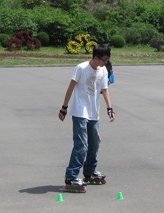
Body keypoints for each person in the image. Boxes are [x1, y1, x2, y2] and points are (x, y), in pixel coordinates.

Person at [58, 44, 115, 193]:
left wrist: (110, 108)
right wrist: (64, 108)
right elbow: (70, 87)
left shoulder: (103, 70)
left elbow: (104, 90)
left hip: (93, 113)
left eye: (107, 59)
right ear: (95, 57)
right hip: (79, 112)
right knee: (81, 145)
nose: (105, 63)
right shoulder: (81, 68)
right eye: (104, 60)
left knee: (95, 143)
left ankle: (89, 172)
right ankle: (71, 177)